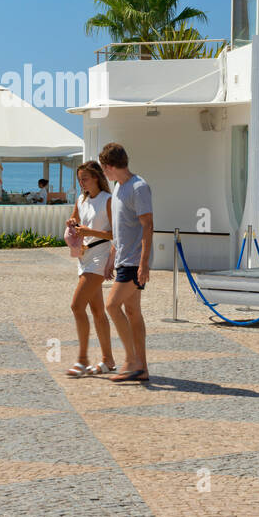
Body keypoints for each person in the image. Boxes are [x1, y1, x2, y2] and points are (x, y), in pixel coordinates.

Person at [99, 142, 152, 383]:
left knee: (111, 306)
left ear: (109, 166)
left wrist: (144, 264)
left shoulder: (138, 187)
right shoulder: (119, 188)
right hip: (122, 260)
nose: (104, 174)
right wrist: (111, 258)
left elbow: (148, 226)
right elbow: (119, 230)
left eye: (104, 169)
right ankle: (141, 368)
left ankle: (131, 361)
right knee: (132, 312)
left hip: (133, 262)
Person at [64, 161, 117, 378]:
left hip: (100, 257)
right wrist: (72, 224)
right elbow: (76, 222)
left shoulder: (108, 200)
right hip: (84, 256)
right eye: (79, 179)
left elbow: (115, 233)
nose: (82, 182)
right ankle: (108, 360)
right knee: (96, 311)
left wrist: (90, 230)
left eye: (85, 178)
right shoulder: (81, 199)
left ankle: (83, 360)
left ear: (96, 177)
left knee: (77, 306)